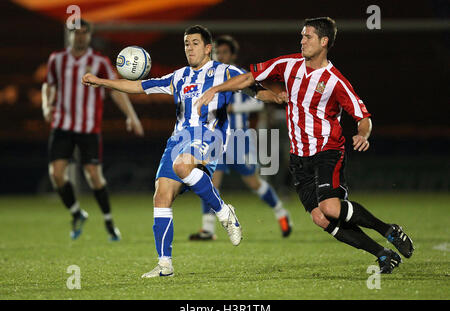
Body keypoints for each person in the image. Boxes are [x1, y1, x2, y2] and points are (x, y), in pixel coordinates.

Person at [195, 17, 414, 274]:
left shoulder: (335, 80)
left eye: (307, 36)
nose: (302, 41)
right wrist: (217, 89)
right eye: (301, 36)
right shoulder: (288, 65)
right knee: (320, 218)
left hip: (327, 151)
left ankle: (387, 230)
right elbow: (248, 79)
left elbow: (363, 117)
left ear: (324, 42)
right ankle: (382, 254)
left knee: (330, 207)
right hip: (299, 157)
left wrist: (362, 134)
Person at [82, 25, 281, 278]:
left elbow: (249, 83)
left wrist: (274, 97)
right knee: (161, 196)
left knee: (182, 166)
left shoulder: (224, 71)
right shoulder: (179, 76)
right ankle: (165, 265)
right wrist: (101, 82)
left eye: (195, 43)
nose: (189, 47)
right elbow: (140, 86)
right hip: (178, 139)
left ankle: (223, 212)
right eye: (187, 43)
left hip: (210, 135)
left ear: (208, 48)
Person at [42, 19, 144, 241]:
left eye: (84, 33)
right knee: (56, 174)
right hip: (62, 125)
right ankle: (77, 213)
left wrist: (131, 116)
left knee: (94, 177)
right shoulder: (56, 59)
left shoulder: (99, 61)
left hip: (89, 128)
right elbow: (49, 84)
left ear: (89, 36)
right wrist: (46, 104)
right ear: (70, 35)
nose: (80, 36)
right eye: (76, 33)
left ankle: (109, 222)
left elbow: (115, 90)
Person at [189, 35, 292, 241]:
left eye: (225, 52)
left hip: (238, 138)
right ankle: (208, 229)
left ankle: (281, 213)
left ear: (233, 55)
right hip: (216, 138)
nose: (221, 55)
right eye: (218, 52)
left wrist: (234, 108)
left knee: (253, 182)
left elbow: (258, 102)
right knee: (210, 181)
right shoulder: (210, 75)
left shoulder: (241, 75)